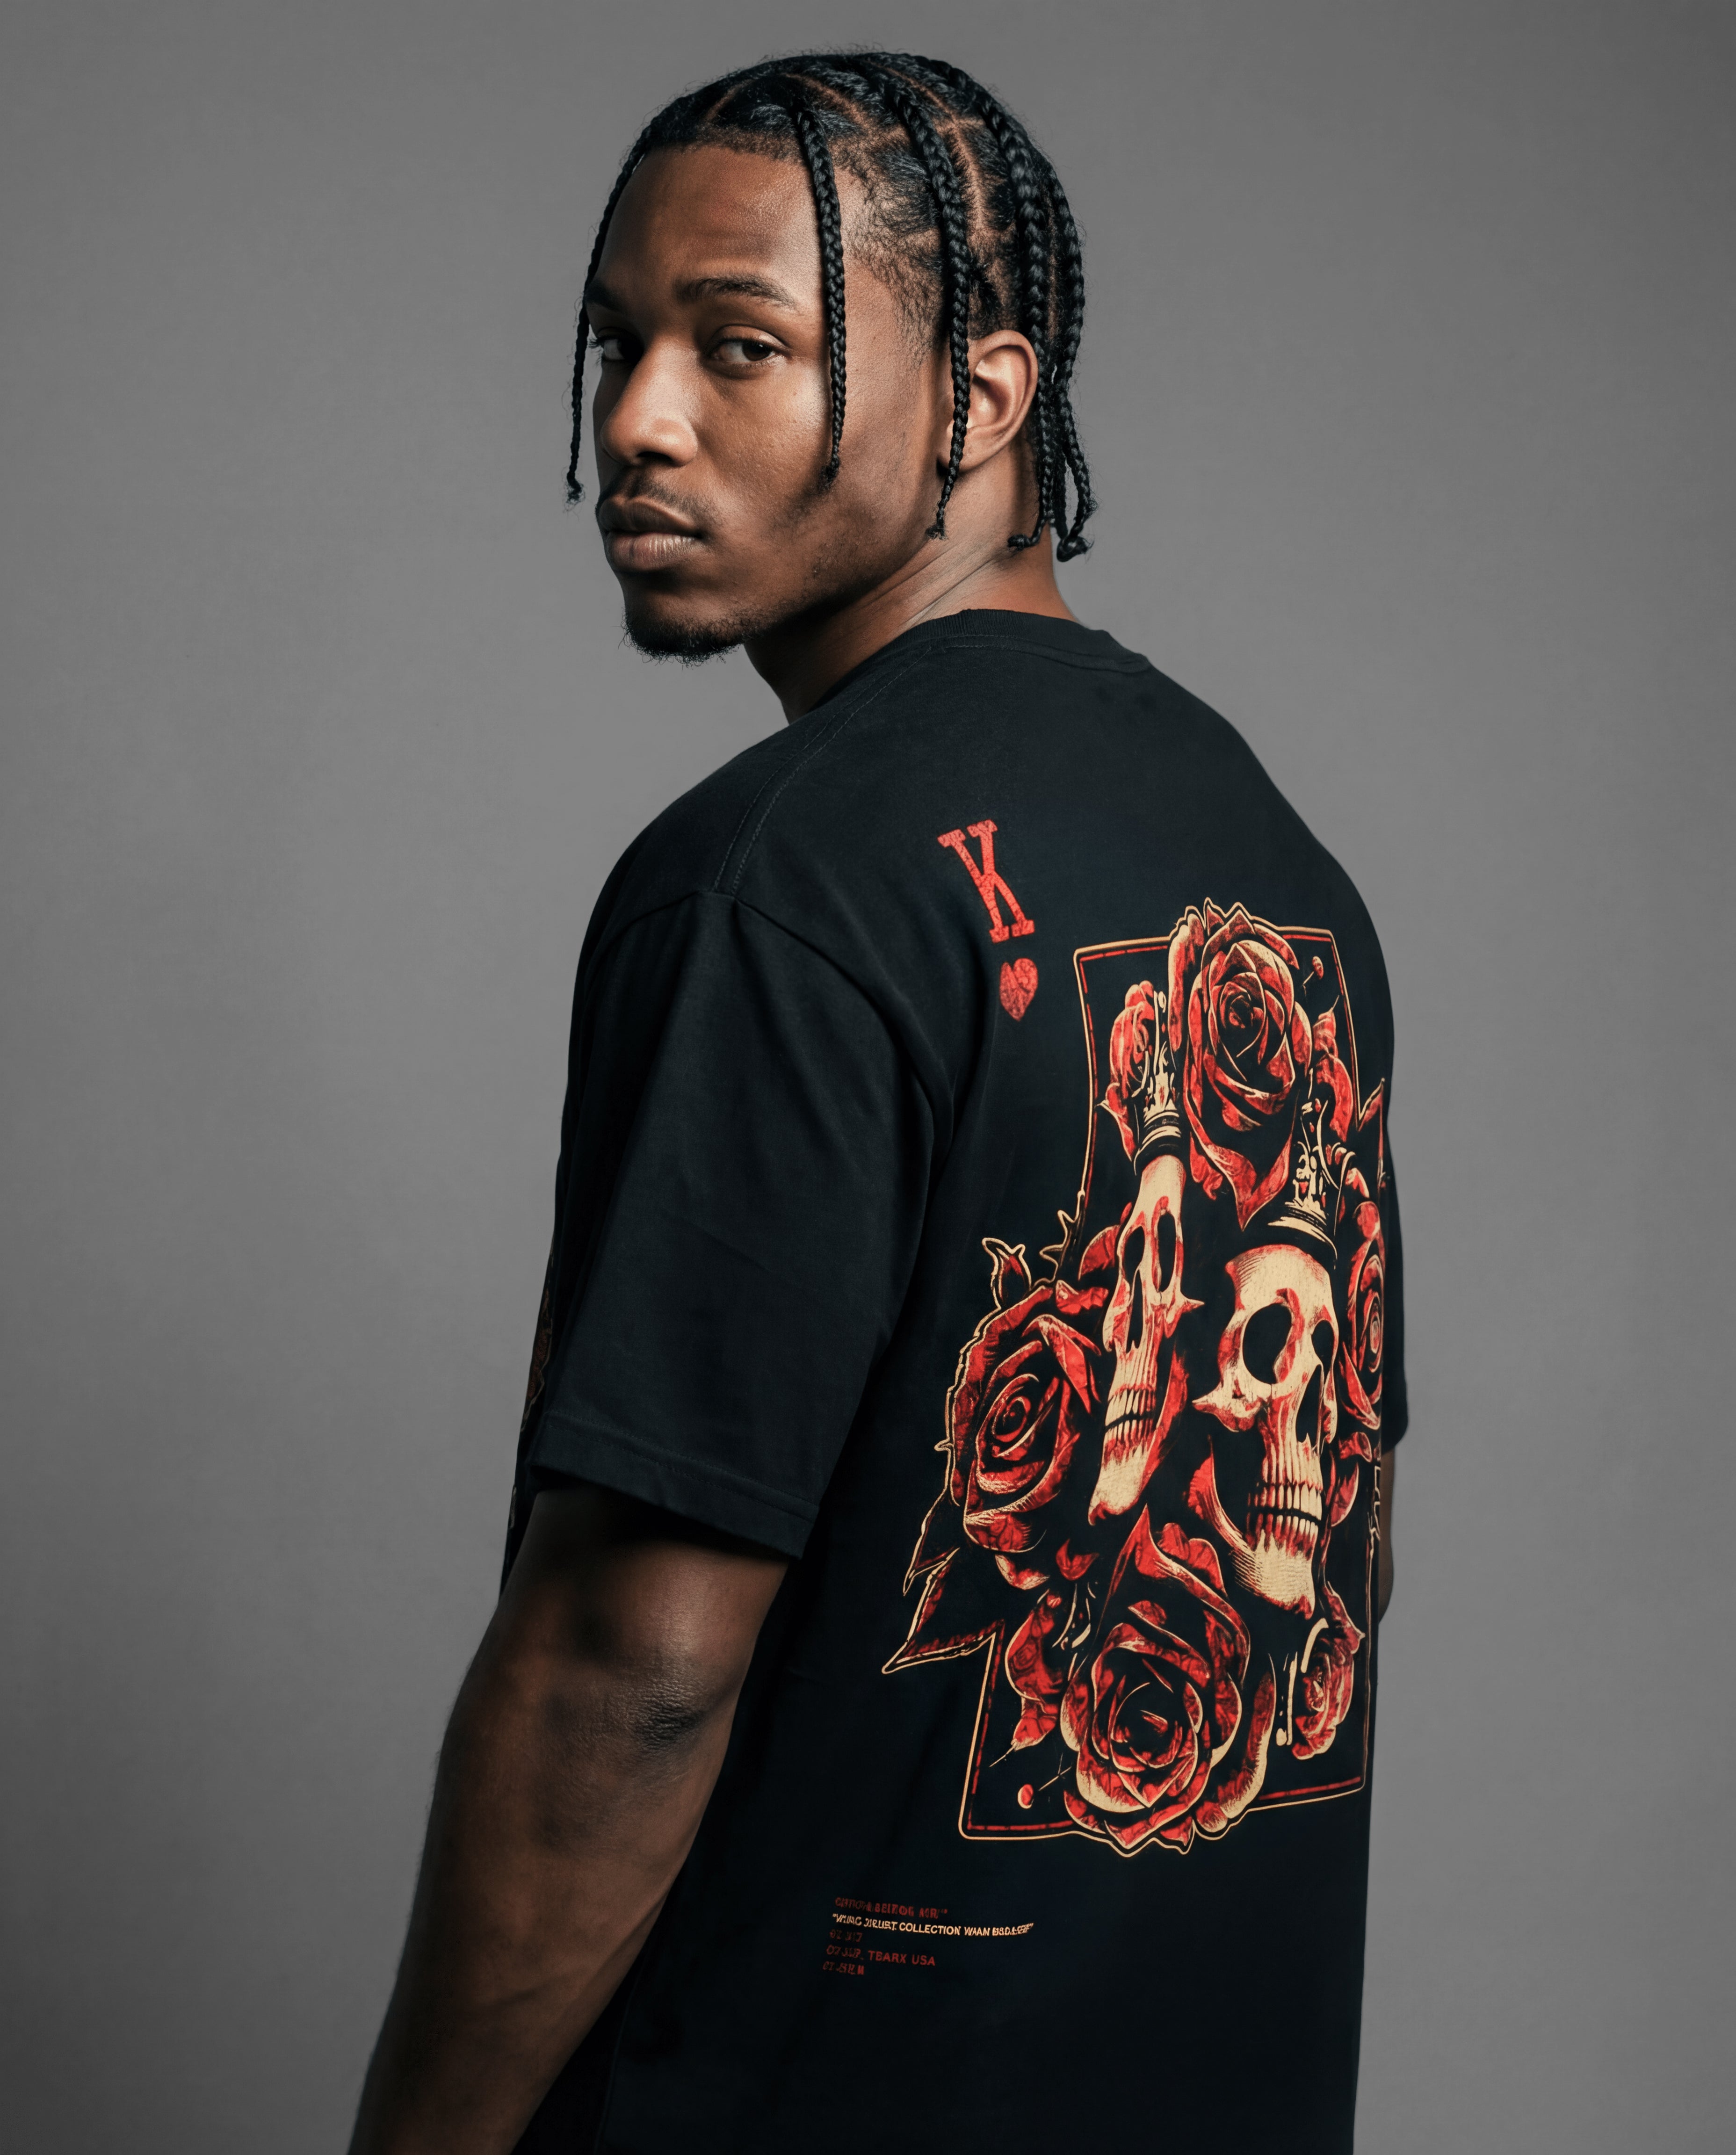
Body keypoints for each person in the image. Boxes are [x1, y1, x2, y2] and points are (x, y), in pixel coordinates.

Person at [348, 51, 1408, 2155]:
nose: (640, 419)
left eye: (740, 346)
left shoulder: (778, 883)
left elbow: (633, 1667)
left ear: (983, 402)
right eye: (621, 346)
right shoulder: (1276, 870)